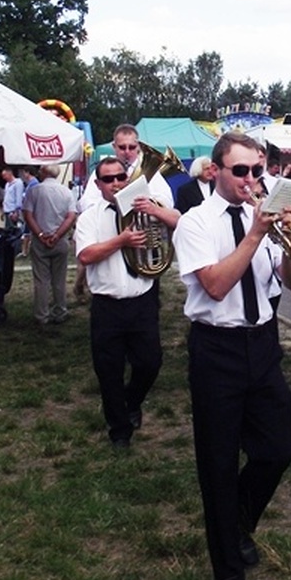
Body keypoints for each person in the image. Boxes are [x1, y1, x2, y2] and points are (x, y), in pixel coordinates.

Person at [172, 133, 291, 580]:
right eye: (240, 170)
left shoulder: (260, 216)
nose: (251, 179)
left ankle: (238, 521)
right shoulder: (195, 222)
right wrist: (255, 235)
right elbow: (215, 285)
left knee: (278, 449)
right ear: (216, 171)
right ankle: (227, 572)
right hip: (217, 347)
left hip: (262, 342)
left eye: (256, 171)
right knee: (218, 464)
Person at [75, 157, 171, 448]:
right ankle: (119, 430)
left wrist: (156, 211)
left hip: (142, 300)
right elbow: (86, 255)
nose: (116, 183)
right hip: (108, 305)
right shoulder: (89, 217)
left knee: (150, 363)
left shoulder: (145, 208)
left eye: (120, 177)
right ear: (98, 184)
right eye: (108, 179)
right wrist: (122, 241)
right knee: (109, 371)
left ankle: (132, 401)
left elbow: (179, 225)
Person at [23, 165, 78, 327]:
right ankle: (60, 311)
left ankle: (42, 315)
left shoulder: (34, 191)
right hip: (60, 240)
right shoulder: (66, 192)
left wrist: (40, 234)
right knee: (59, 279)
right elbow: (71, 216)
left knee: (41, 280)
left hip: (40, 239)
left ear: (44, 172)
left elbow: (28, 215)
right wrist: (57, 235)